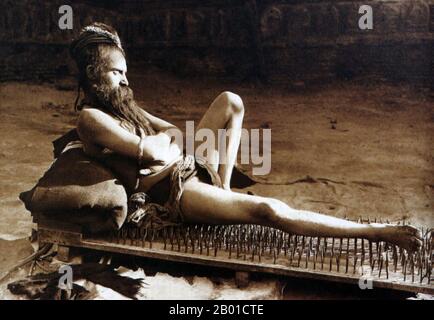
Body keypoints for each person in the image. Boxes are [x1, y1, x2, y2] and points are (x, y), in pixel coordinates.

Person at [69, 22, 421, 252]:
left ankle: (222, 188)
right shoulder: (92, 118)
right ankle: (375, 232)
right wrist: (163, 145)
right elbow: (146, 152)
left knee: (230, 102)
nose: (127, 81)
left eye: (126, 73)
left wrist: (166, 144)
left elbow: (171, 132)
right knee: (268, 210)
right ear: (93, 73)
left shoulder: (124, 105)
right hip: (174, 192)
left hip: (186, 165)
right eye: (118, 73)